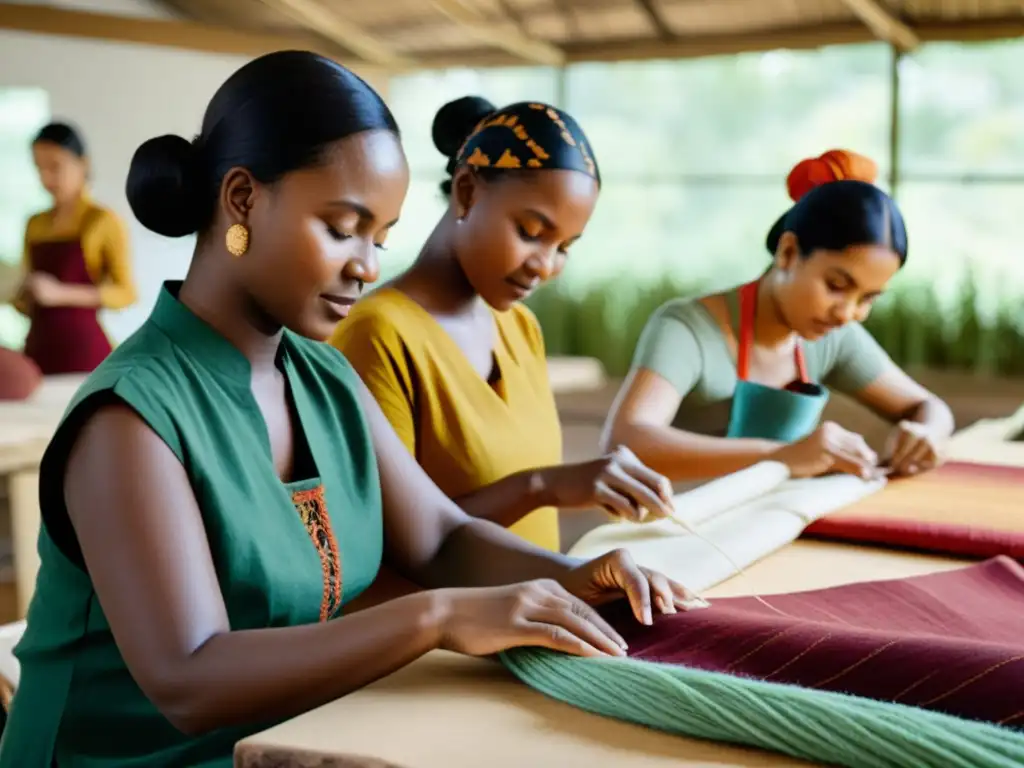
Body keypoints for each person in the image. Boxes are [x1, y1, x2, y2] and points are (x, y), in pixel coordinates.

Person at [0, 52, 700, 768]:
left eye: (382, 236)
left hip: (288, 746)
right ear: (241, 200)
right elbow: (189, 678)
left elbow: (440, 538)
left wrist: (573, 576)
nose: (368, 265)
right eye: (343, 227)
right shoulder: (131, 418)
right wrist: (438, 615)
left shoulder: (325, 376)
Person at [331, 95, 675, 563]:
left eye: (564, 247)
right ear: (468, 191)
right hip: (445, 633)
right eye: (531, 232)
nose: (546, 266)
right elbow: (389, 548)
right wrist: (545, 486)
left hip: (533, 617)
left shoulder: (519, 327)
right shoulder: (377, 334)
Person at [601, 149, 954, 483]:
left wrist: (926, 433)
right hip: (678, 531)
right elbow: (624, 441)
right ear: (788, 252)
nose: (848, 312)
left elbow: (929, 406)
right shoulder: (686, 329)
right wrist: (781, 455)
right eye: (835, 285)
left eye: (868, 298)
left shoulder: (833, 337)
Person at [14, 121, 136, 375]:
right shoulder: (34, 223)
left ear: (84, 163)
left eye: (55, 167)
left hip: (84, 355)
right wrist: (22, 296)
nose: (46, 178)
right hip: (38, 351)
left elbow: (125, 293)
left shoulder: (102, 221)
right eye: (39, 168)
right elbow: (27, 296)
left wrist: (60, 294)